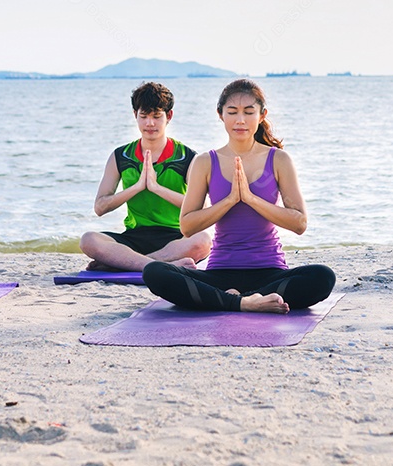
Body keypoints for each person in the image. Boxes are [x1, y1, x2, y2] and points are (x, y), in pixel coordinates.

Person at [143, 79, 335, 313]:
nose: (240, 120)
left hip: (269, 273)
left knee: (322, 276)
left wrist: (251, 199)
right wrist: (230, 200)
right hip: (219, 273)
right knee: (154, 272)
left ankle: (233, 300)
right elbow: (187, 227)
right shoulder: (205, 162)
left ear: (262, 115)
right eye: (232, 112)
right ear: (220, 115)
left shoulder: (279, 160)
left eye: (249, 112)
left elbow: (300, 223)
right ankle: (245, 302)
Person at [80, 82, 210, 272]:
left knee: (203, 240)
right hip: (134, 237)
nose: (150, 123)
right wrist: (137, 187)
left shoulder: (187, 156)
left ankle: (128, 264)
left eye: (157, 116)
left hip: (175, 238)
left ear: (169, 116)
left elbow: (201, 208)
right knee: (88, 240)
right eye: (144, 116)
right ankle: (158, 265)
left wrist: (157, 188)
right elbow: (100, 207)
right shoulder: (121, 156)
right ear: (135, 115)